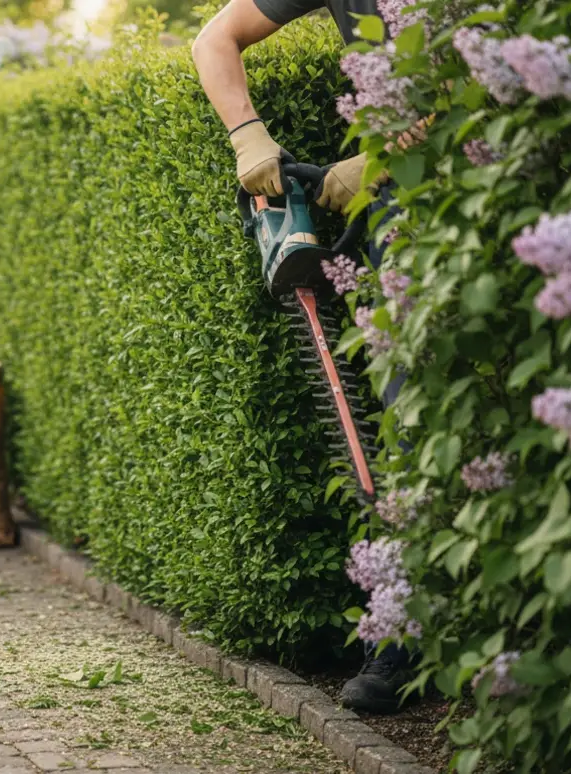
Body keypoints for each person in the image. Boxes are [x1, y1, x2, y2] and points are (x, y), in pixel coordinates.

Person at [191, 1, 417, 716]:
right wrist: (248, 137)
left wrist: (379, 160)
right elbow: (216, 39)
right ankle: (403, 638)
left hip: (486, 189)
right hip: (398, 210)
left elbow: (493, 82)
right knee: (403, 419)